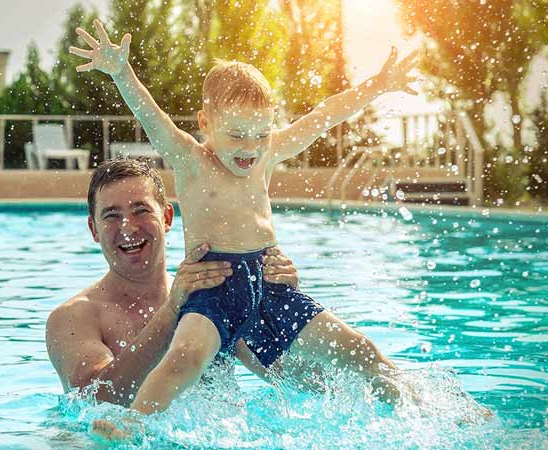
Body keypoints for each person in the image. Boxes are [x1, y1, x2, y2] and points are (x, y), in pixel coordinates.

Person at [70, 19, 419, 419]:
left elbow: (324, 116)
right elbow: (153, 117)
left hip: (269, 284)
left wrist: (377, 85)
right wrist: (121, 72)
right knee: (183, 360)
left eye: (260, 134)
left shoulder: (265, 155)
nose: (250, 148)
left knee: (357, 348)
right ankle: (132, 422)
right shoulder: (192, 161)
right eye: (236, 135)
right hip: (214, 284)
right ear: (206, 124)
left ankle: (417, 402)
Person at [45, 158, 301, 405]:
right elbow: (95, 401)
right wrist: (171, 311)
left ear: (167, 217)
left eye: (140, 210)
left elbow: (297, 381)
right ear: (94, 229)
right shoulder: (73, 318)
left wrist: (280, 306)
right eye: (111, 216)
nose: (128, 227)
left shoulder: (210, 297)